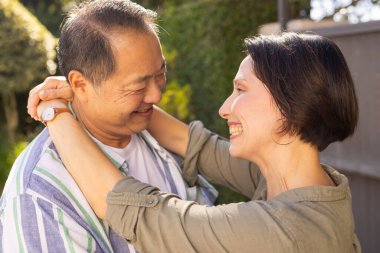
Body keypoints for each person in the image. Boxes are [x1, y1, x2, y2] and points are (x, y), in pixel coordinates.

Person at [29, 32, 361, 252]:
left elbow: (140, 213)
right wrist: (98, 92)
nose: (224, 108)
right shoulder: (292, 180)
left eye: (241, 90)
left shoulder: (289, 232)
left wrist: (55, 111)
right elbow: (191, 143)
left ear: (290, 104)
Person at [0, 1, 216, 252]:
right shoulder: (40, 193)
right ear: (80, 85)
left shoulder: (158, 136)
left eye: (160, 74)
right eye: (138, 87)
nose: (156, 95)